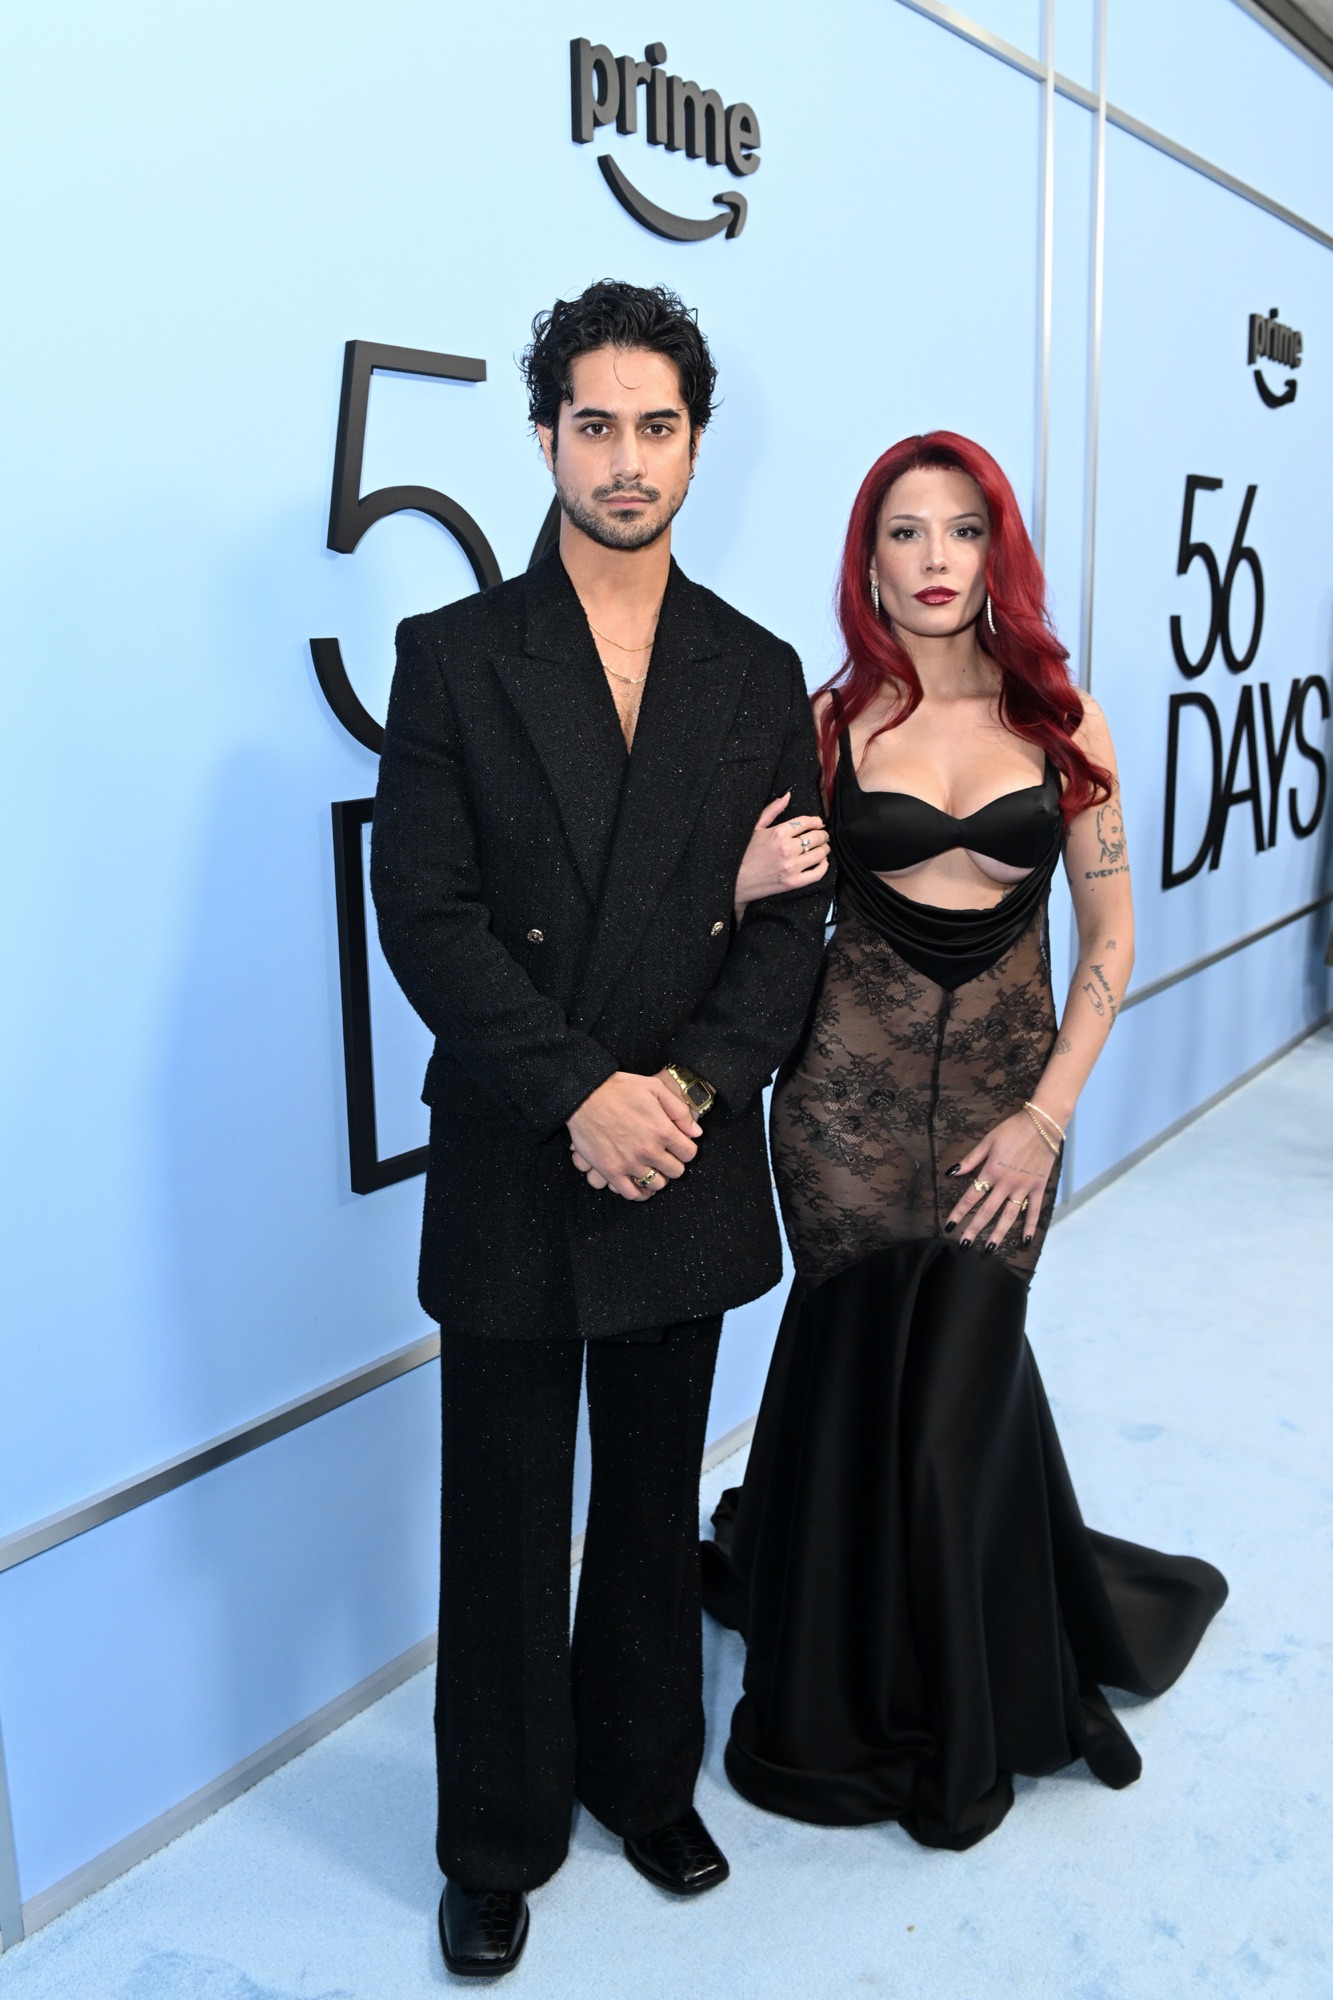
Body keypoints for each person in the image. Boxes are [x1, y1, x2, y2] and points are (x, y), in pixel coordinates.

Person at [370, 281, 828, 1978]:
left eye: (656, 426)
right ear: (544, 437)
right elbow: (426, 915)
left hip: (679, 1149)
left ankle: (644, 1783)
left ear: (695, 446)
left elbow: (787, 932)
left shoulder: (755, 671)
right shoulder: (455, 656)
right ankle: (494, 1833)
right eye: (594, 425)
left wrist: (679, 1097)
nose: (625, 460)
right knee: (501, 1515)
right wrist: (580, 1092)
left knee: (648, 1497)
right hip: (521, 1140)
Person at [703, 431, 1228, 1851]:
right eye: (904, 532)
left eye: (961, 530)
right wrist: (737, 882)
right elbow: (752, 923)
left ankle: (962, 1704)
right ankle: (843, 1695)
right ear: (867, 561)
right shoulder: (825, 725)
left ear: (998, 553)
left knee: (945, 1423)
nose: (934, 560)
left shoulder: (1065, 723)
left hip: (1009, 1121)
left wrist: (1046, 1119)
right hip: (840, 1119)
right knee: (854, 1382)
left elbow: (1110, 939)